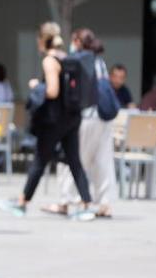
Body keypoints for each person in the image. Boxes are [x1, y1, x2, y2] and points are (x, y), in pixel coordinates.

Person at [0, 22, 96, 222]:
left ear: (43, 39)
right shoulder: (66, 57)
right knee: (74, 161)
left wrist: (36, 86)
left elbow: (52, 90)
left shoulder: (50, 60)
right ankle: (87, 205)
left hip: (54, 119)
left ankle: (22, 202)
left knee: (40, 161)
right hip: (72, 116)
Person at [48, 29, 117, 218]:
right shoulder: (99, 61)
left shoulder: (77, 60)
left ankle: (66, 201)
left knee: (72, 159)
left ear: (78, 41)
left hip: (85, 116)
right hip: (103, 117)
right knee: (102, 161)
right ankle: (104, 203)